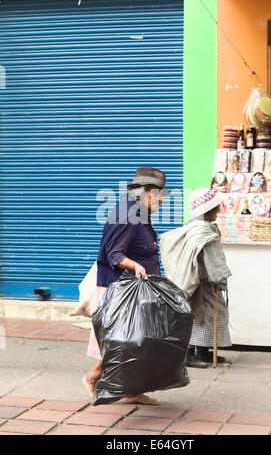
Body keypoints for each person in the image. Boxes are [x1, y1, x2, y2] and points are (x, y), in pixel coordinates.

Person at [82, 167, 168, 405]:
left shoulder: (135, 211)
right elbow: (114, 253)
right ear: (147, 192)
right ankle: (94, 377)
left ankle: (131, 391)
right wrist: (135, 266)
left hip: (133, 290)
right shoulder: (129, 214)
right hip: (121, 291)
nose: (162, 198)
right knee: (128, 340)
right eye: (159, 193)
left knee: (137, 340)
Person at [160, 188, 232, 368]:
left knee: (207, 318)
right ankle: (189, 354)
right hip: (199, 283)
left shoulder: (196, 228)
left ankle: (203, 352)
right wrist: (220, 279)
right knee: (198, 318)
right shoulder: (204, 232)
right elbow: (215, 263)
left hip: (200, 281)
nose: (219, 210)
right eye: (216, 207)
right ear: (209, 210)